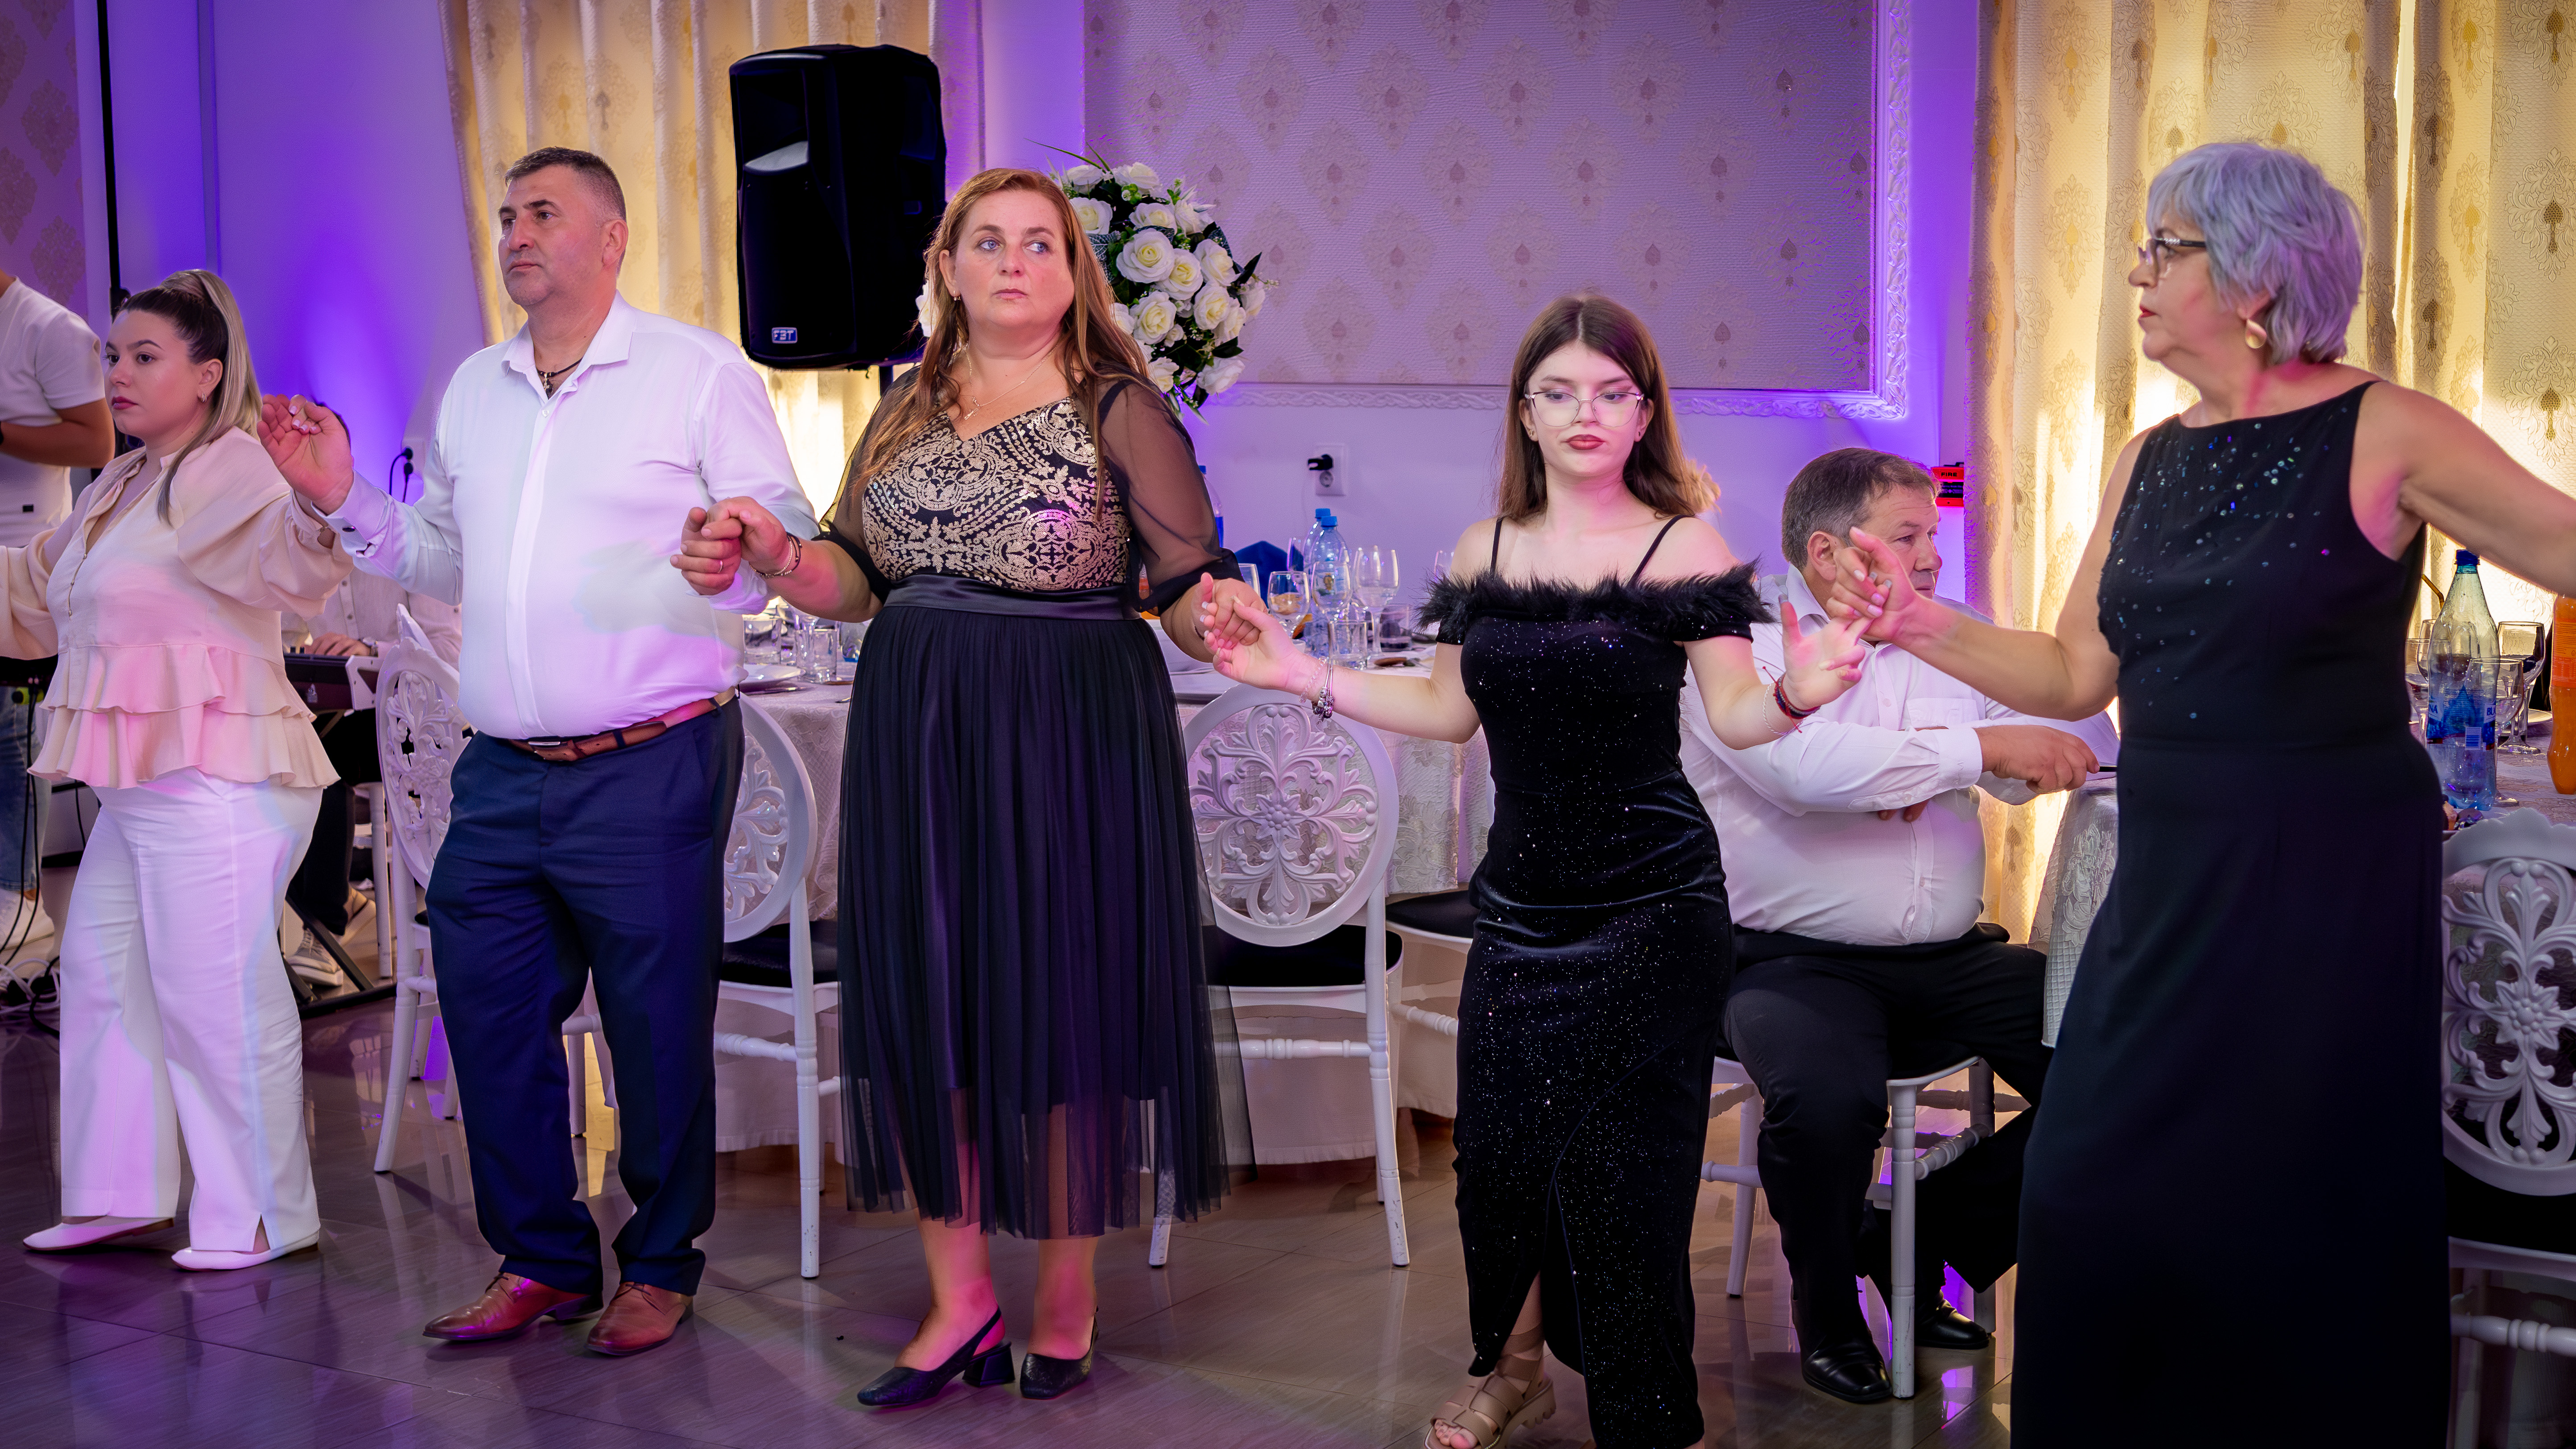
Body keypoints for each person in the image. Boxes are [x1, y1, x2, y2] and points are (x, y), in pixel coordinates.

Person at [1828, 141, 2576, 1444]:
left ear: (2252, 277)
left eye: (2161, 248)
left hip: (2326, 877)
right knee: (2084, 1184)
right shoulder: (2145, 457)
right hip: (2171, 875)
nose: (2136, 273)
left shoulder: (2383, 428)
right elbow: (2073, 672)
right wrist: (1915, 621)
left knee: (2295, 1208)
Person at [1197, 292, 1870, 1449]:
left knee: (1627, 1177)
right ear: (1524, 413)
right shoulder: (1487, 549)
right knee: (1500, 1162)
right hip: (1521, 910)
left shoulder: (1682, 547)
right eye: (1557, 392)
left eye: (1610, 392)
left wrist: (1802, 689)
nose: (1583, 413)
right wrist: (1300, 672)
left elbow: (1737, 714)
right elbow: (1444, 709)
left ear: (1644, 411)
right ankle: (1513, 1373)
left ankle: (1644, 1412)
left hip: (1654, 910)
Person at [674, 166, 1257, 1407]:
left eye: (1039, 243)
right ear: (946, 267)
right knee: (929, 1002)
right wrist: (779, 555)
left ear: (1072, 272)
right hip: (917, 726)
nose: (1012, 262)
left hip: (1069, 731)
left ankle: (1066, 1297)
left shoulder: (1120, 408)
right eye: (986, 241)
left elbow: (1183, 585)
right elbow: (853, 576)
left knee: (1061, 1007)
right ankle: (960, 1303)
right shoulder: (902, 406)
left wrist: (1222, 622)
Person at [262, 146, 813, 1356]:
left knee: (654, 1028)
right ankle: (543, 1260)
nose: (515, 233)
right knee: (490, 1016)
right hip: (504, 767)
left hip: (653, 756)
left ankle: (659, 1264)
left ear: (611, 239)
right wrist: (345, 495)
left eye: (543, 214)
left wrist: (738, 546)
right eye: (508, 214)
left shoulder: (696, 373)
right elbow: (442, 556)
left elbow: (785, 532)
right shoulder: (474, 387)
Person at [1677, 447, 2117, 1403]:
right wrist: (1975, 749)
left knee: (2128, 1060)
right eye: (1908, 536)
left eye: (1933, 535)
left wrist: (1935, 760)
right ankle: (1827, 1312)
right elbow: (1802, 771)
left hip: (1952, 957)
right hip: (1790, 964)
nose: (1931, 557)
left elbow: (2088, 739)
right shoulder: (1736, 642)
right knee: (1826, 1102)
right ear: (1827, 551)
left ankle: (1920, 1236)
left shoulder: (1948, 630)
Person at [13, 269, 352, 1269]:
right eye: (112, 356)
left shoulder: (234, 465)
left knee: (214, 994)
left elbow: (296, 561)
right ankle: (118, 1196)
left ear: (207, 374)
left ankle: (263, 1214)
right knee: (102, 979)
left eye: (144, 356)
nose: (117, 373)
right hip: (145, 788)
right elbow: (35, 593)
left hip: (219, 777)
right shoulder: (122, 482)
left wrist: (321, 497)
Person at [0, 260, 112, 973]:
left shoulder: (47, 329)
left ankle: (20, 903)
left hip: (26, 564)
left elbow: (97, 443)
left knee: (11, 741)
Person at [281, 570, 462, 983]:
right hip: (347, 718)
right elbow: (280, 630)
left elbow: (449, 649)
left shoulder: (408, 545)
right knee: (290, 755)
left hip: (421, 718)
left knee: (318, 759)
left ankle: (324, 924)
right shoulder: (305, 551)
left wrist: (371, 651)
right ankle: (320, 916)